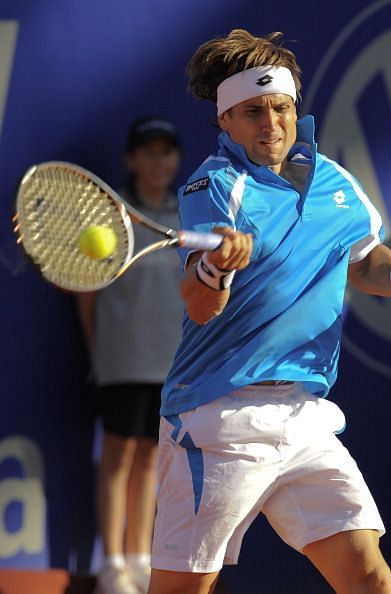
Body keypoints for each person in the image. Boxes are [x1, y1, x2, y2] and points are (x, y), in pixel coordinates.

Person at [147, 30, 391, 594]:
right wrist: (216, 267)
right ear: (225, 122)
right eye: (253, 112)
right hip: (219, 419)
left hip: (305, 415)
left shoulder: (334, 180)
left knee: (367, 575)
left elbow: (362, 261)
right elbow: (200, 304)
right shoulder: (215, 186)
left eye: (281, 108)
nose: (271, 123)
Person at [76, 116, 183, 594]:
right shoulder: (110, 215)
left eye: (167, 151)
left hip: (172, 361)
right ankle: (111, 565)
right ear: (130, 160)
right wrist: (99, 344)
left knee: (150, 458)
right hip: (122, 360)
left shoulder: (188, 216)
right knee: (117, 456)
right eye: (149, 152)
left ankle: (139, 558)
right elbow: (86, 291)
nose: (158, 161)